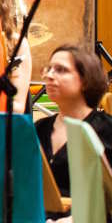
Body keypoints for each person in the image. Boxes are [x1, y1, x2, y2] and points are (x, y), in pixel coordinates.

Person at [36, 45, 112, 198]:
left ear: (85, 80)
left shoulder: (107, 130)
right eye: (48, 69)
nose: (50, 76)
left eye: (61, 70)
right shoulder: (38, 128)